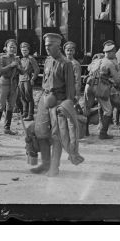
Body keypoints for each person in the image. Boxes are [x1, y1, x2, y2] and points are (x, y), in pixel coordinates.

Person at [30, 33, 78, 177]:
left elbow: (70, 89)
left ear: (58, 46)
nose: (47, 48)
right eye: (45, 45)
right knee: (41, 133)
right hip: (45, 100)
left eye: (50, 45)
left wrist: (67, 107)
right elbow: (45, 81)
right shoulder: (48, 61)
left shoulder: (66, 64)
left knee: (57, 136)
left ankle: (54, 167)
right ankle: (45, 164)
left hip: (59, 102)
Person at [94, 42, 120, 139]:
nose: (115, 53)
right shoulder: (109, 63)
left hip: (92, 85)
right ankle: (103, 133)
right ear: (109, 53)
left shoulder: (98, 60)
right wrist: (118, 85)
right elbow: (117, 79)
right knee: (108, 110)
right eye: (114, 52)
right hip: (102, 88)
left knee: (98, 106)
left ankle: (87, 130)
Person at [0, 39, 22, 135]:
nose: (13, 48)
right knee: (0, 106)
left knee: (11, 106)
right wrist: (11, 65)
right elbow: (0, 71)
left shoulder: (17, 59)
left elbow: (23, 72)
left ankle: (7, 128)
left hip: (13, 84)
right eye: (10, 47)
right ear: (6, 48)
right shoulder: (2, 58)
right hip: (4, 83)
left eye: (14, 47)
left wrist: (19, 67)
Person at [18, 42, 40, 121]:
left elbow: (37, 69)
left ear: (28, 50)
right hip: (21, 80)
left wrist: (33, 79)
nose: (24, 52)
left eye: (25, 50)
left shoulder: (31, 59)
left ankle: (30, 115)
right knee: (23, 97)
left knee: (29, 98)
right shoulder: (21, 59)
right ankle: (25, 113)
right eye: (22, 50)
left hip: (27, 80)